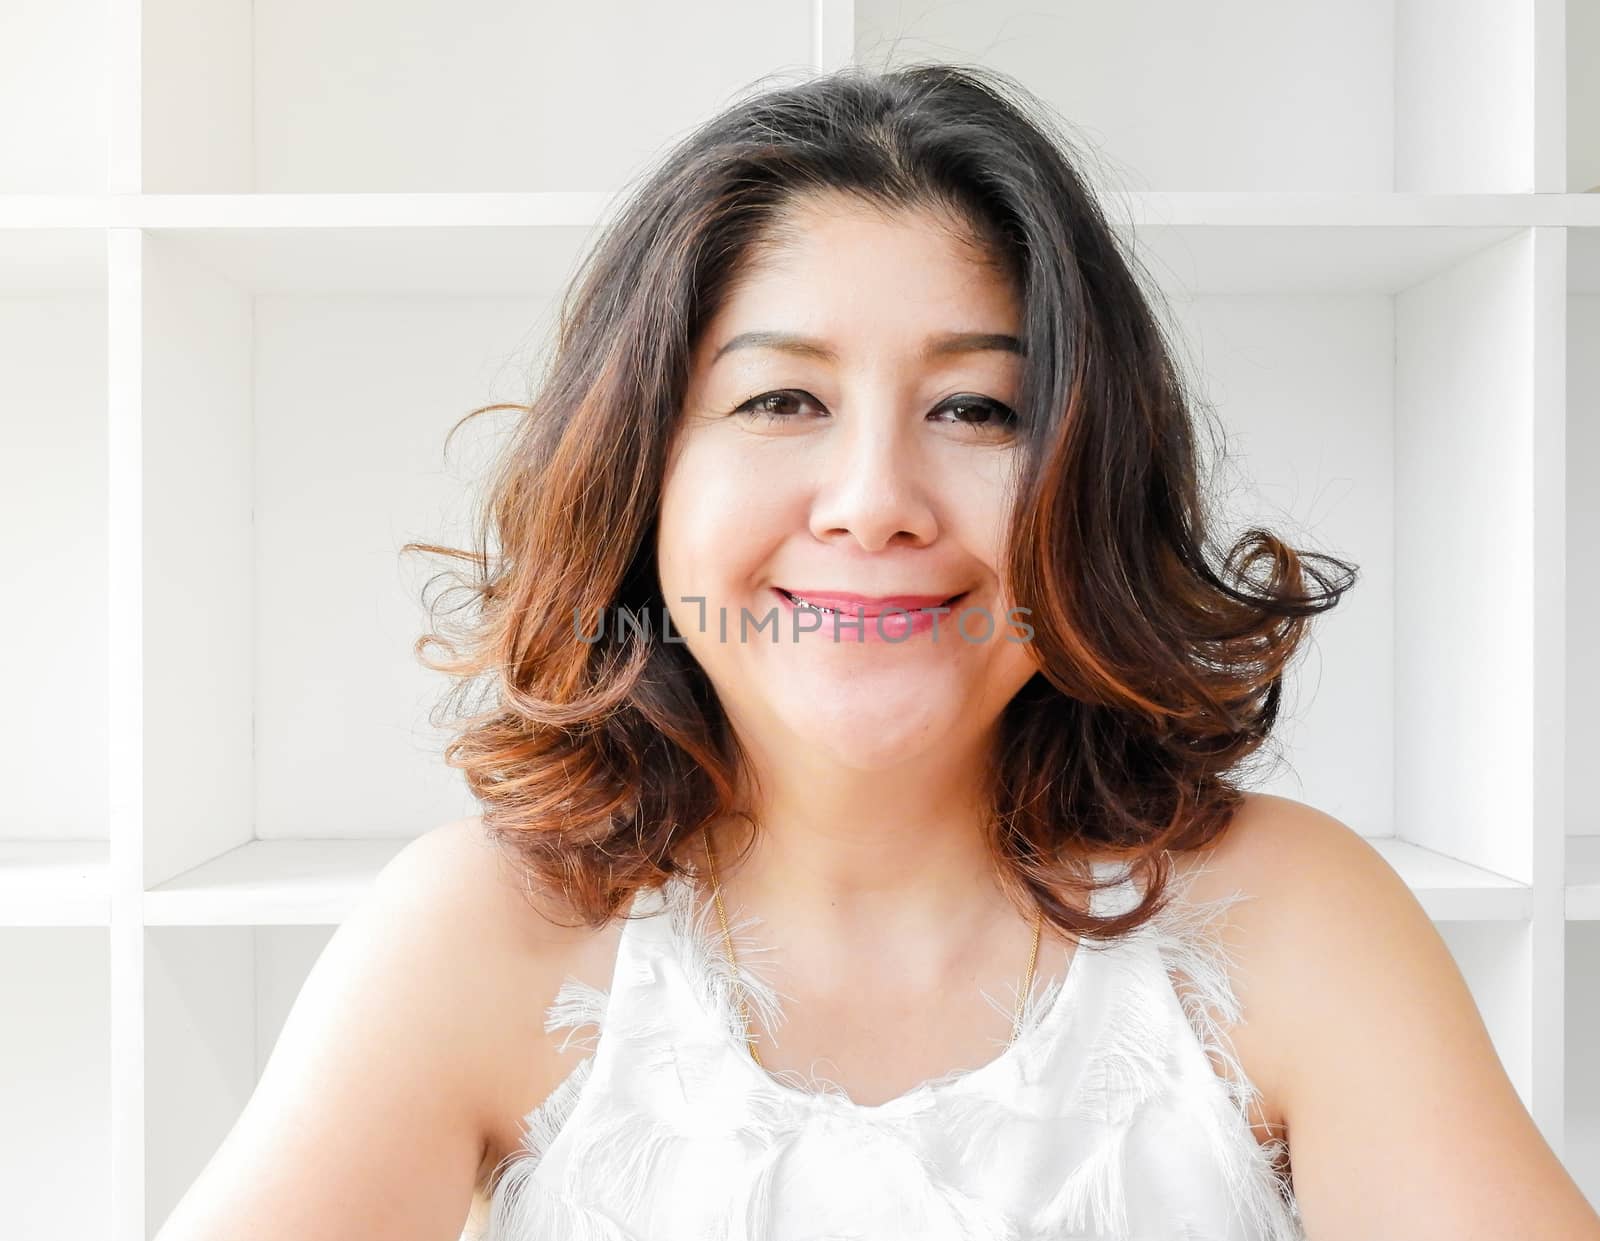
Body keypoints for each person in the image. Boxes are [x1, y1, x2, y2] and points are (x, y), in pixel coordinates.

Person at [153, 63, 1600, 1241]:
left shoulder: (1293, 919)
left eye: (976, 410)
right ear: (644, 476)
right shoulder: (483, 933)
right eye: (783, 400)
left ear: (1089, 482)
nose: (875, 505)